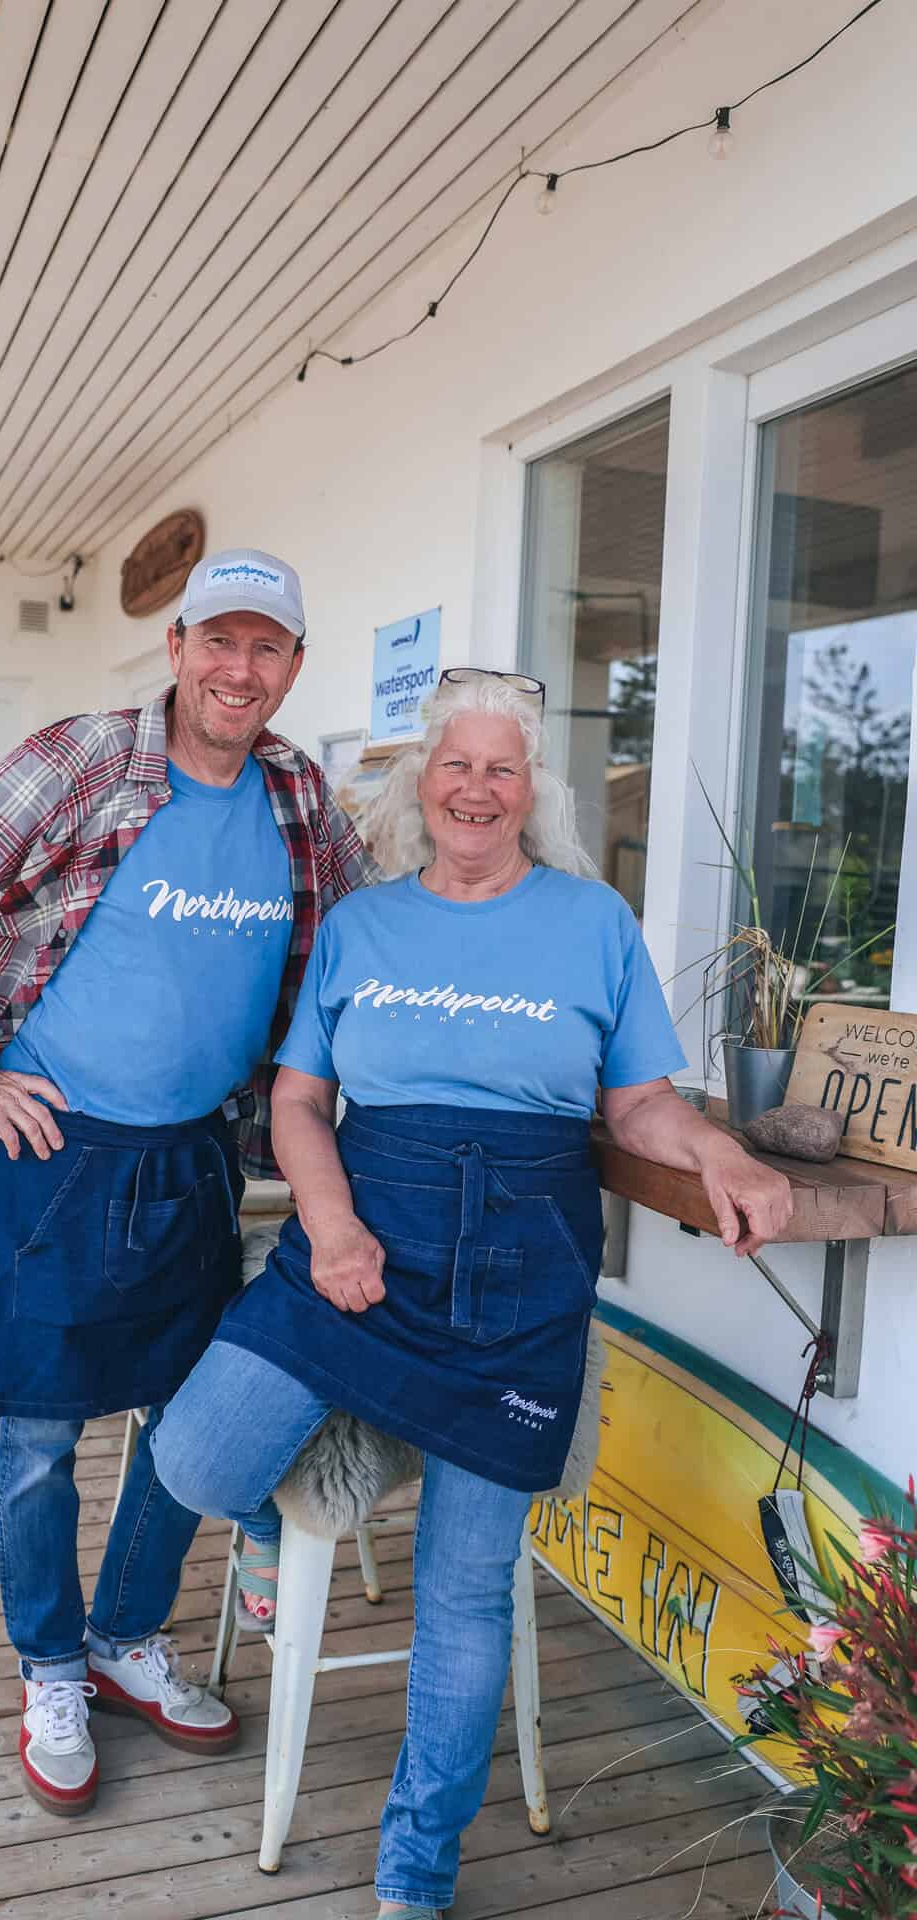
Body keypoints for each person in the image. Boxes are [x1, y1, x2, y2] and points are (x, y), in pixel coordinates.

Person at [152, 668, 794, 1919]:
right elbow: (297, 1099)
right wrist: (328, 1226)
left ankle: (416, 1868)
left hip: (519, 1269)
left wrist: (718, 1149)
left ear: (529, 793)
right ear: (420, 783)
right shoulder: (361, 925)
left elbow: (637, 1103)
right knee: (197, 1460)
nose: (476, 788)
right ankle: (285, 1536)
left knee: (462, 1592)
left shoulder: (589, 922)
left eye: (502, 769)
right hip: (361, 1244)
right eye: (456, 765)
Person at [0, 548, 375, 1815]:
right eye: (218, 641)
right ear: (177, 647)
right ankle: (47, 1663)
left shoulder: (300, 795)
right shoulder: (88, 757)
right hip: (56, 1145)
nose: (237, 669)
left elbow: (367, 943)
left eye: (266, 648)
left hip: (196, 1153)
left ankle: (124, 1638)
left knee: (177, 1419)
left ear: (292, 667)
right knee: (41, 1439)